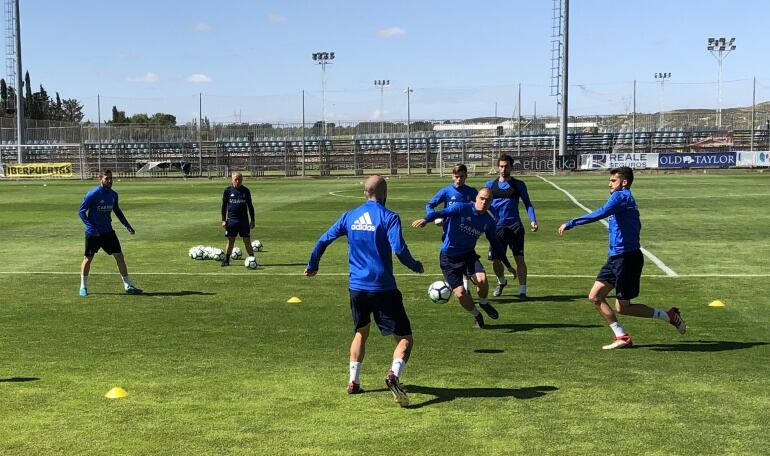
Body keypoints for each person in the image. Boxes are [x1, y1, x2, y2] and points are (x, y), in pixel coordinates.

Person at [305, 175, 424, 407]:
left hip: (357, 287)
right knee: (405, 339)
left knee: (361, 332)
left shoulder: (349, 216)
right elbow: (399, 249)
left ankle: (353, 381)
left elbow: (323, 240)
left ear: (364, 193)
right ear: (385, 193)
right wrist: (415, 265)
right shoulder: (389, 217)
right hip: (383, 288)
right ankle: (393, 375)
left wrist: (313, 265)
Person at [558, 166, 686, 349]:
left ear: (624, 182)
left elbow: (601, 212)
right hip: (615, 258)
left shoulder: (621, 196)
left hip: (626, 258)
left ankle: (669, 316)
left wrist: (572, 223)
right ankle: (621, 336)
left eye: (613, 181)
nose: (609, 184)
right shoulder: (624, 199)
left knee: (623, 307)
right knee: (595, 297)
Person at [412, 188, 513, 329]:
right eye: (481, 198)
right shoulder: (461, 208)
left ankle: (483, 303)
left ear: (491, 202)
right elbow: (440, 213)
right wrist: (426, 219)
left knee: (482, 280)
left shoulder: (488, 221)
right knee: (460, 294)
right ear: (476, 198)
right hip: (448, 258)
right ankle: (477, 315)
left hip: (468, 255)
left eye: (487, 200)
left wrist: (507, 265)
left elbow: (495, 243)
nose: (484, 202)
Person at [77, 169, 142, 296]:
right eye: (107, 178)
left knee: (119, 257)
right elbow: (81, 211)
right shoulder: (93, 194)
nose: (110, 181)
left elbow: (117, 211)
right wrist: (91, 227)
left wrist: (127, 226)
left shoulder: (113, 195)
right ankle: (83, 287)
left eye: (111, 178)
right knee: (88, 258)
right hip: (93, 233)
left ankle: (128, 285)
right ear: (100, 179)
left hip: (108, 231)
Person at [485, 154, 538, 299]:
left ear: (511, 167)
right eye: (501, 166)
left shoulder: (519, 185)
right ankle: (502, 281)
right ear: (498, 167)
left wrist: (533, 220)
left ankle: (522, 291)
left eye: (506, 166)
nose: (503, 169)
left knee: (519, 258)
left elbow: (528, 204)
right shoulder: (490, 185)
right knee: (495, 260)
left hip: (515, 227)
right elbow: (483, 204)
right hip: (496, 228)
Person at [425, 163, 478, 293]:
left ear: (466, 176)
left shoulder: (471, 192)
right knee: (454, 258)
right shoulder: (446, 191)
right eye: (456, 176)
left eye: (462, 176)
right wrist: (435, 218)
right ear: (452, 176)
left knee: (465, 257)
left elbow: (480, 206)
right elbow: (430, 205)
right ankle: (460, 285)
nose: (459, 179)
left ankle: (466, 288)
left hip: (466, 231)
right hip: (449, 231)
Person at [220, 172, 255, 266]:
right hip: (232, 220)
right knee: (231, 240)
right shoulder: (227, 191)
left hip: (244, 221)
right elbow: (224, 206)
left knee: (247, 240)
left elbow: (250, 206)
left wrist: (252, 220)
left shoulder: (245, 191)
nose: (238, 181)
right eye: (236, 179)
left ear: (242, 180)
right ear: (232, 179)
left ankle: (252, 258)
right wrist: (223, 220)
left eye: (239, 179)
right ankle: (226, 260)